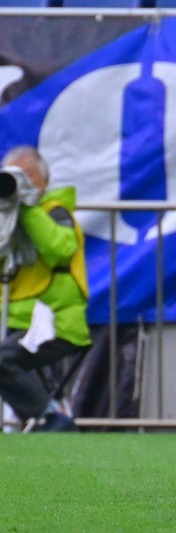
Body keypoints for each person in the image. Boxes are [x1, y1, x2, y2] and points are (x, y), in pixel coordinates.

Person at [0, 146, 91, 432]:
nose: (21, 184)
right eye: (13, 177)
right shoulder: (7, 218)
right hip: (17, 322)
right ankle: (45, 419)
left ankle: (49, 420)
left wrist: (27, 208)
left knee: (2, 359)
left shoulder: (55, 212)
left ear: (45, 181)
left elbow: (60, 249)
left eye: (28, 176)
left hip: (55, 324)